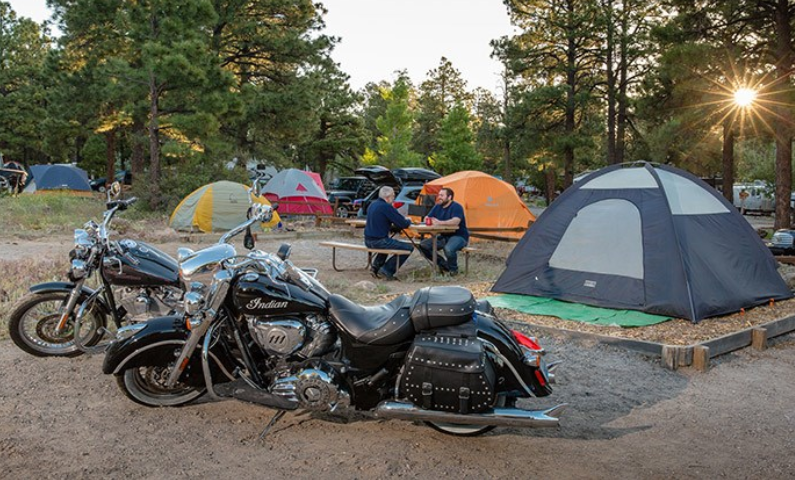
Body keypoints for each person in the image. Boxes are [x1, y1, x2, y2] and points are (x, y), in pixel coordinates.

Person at [364, 186, 413, 280]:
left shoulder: (372, 204)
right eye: (393, 196)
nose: (394, 198)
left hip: (368, 240)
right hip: (379, 241)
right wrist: (409, 220)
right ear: (388, 197)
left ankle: (375, 267)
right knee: (408, 248)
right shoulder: (386, 207)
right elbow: (402, 223)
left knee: (388, 243)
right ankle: (387, 270)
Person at [418, 187, 468, 276]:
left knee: (448, 249)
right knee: (423, 246)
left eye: (442, 195)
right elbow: (427, 217)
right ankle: (444, 266)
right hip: (443, 236)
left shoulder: (456, 206)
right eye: (439, 195)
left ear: (449, 197)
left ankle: (453, 271)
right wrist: (429, 220)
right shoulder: (437, 206)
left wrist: (440, 222)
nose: (439, 197)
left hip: (458, 236)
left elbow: (456, 221)